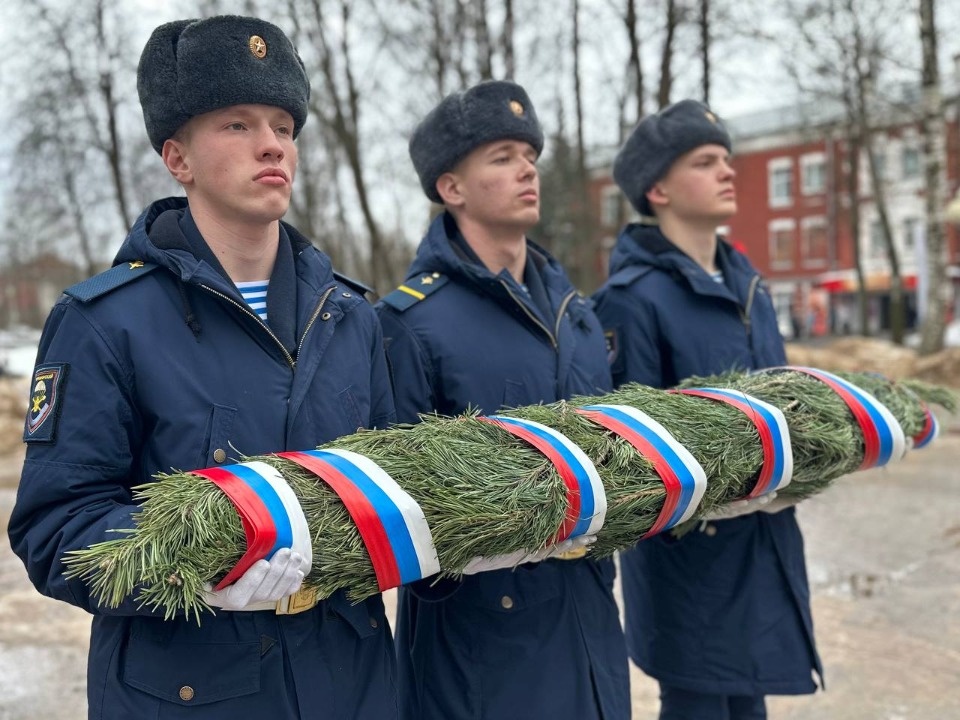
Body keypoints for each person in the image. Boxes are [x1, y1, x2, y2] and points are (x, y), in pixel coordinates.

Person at [8, 16, 398, 719]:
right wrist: (197, 568)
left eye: (283, 124)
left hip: (352, 681)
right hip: (192, 692)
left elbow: (395, 483)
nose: (273, 143)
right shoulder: (105, 321)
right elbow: (55, 528)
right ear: (178, 159)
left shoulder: (349, 317)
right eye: (238, 125)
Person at [376, 80, 631, 720]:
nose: (527, 170)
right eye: (502, 157)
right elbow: (394, 501)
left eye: (531, 156)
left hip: (589, 626)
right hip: (483, 650)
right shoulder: (409, 324)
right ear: (450, 188)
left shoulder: (576, 314)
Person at [592, 99, 823, 719]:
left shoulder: (747, 283)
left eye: (727, 159)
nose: (728, 172)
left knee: (749, 708)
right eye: (705, 161)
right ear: (659, 188)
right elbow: (631, 453)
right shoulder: (630, 301)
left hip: (762, 546)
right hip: (691, 563)